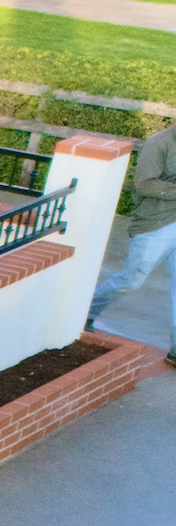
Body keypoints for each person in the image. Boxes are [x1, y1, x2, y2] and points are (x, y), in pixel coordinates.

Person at [88, 123, 176, 363]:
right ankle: (86, 311)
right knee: (131, 280)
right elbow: (144, 184)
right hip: (156, 223)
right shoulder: (160, 143)